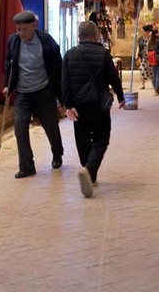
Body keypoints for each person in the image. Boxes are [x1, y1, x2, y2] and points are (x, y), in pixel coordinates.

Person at [62, 20, 125, 198]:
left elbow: (64, 82)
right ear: (96, 34)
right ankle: (89, 171)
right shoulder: (103, 54)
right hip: (99, 105)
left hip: (78, 105)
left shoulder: (69, 54)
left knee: (82, 140)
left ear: (78, 36)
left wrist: (68, 105)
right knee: (100, 139)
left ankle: (89, 173)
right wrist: (121, 97)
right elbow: (113, 78)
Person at [3, 11, 65, 179]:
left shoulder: (47, 42)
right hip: (23, 93)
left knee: (50, 125)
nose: (20, 33)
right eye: (18, 30)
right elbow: (9, 64)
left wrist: (61, 97)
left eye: (24, 29)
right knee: (20, 128)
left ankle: (57, 153)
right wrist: (7, 86)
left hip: (44, 90)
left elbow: (57, 69)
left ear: (33, 26)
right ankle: (27, 166)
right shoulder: (13, 41)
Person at [137, 24, 153, 90]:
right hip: (143, 57)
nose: (142, 32)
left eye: (143, 31)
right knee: (142, 70)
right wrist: (136, 54)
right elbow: (138, 47)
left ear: (147, 31)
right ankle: (143, 85)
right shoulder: (140, 38)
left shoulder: (151, 38)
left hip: (150, 57)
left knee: (151, 71)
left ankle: (154, 85)